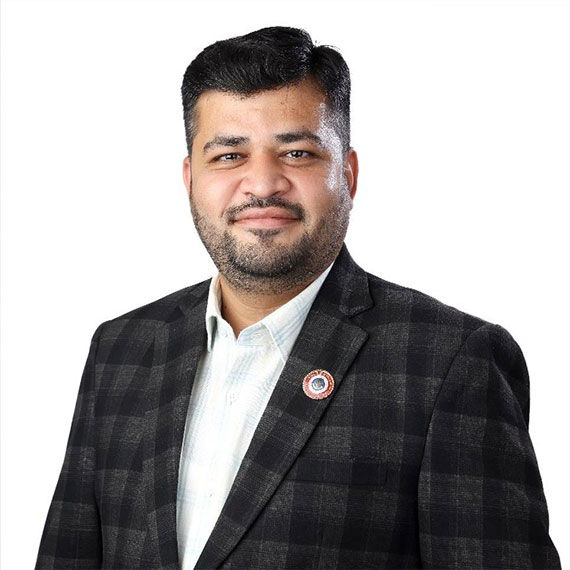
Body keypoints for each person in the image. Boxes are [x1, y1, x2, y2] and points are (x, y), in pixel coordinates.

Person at [36, 26, 560, 570]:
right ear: (190, 178)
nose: (262, 183)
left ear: (347, 174)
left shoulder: (451, 362)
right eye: (229, 155)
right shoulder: (120, 349)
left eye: (297, 152)